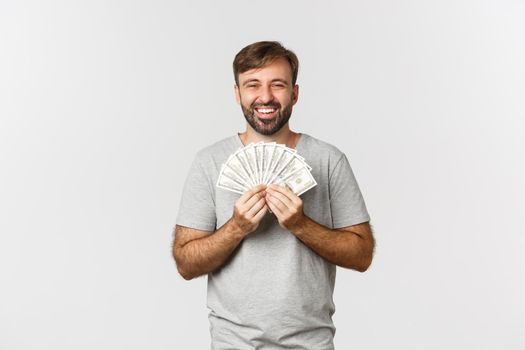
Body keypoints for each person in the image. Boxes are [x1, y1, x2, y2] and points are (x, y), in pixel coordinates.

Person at [173, 41, 375, 350]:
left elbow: (361, 255)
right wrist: (236, 227)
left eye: (277, 85)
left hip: (311, 343)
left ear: (294, 93)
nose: (265, 97)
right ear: (237, 93)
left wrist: (300, 225)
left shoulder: (329, 159)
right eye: (252, 85)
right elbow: (186, 263)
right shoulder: (209, 162)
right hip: (232, 344)